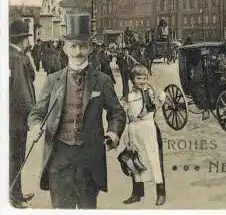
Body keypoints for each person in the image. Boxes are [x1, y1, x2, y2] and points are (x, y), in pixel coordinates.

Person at [27, 12, 127, 209]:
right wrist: (36, 126)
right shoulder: (52, 80)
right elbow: (36, 113)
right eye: (73, 46)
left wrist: (113, 133)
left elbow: (117, 113)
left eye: (83, 46)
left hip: (89, 161)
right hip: (59, 159)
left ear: (90, 47)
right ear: (65, 48)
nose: (78, 52)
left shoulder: (103, 80)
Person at [121, 65, 166, 206]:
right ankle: (137, 193)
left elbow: (160, 99)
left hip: (148, 128)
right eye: (138, 78)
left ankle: (161, 192)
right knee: (136, 160)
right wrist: (127, 136)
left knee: (154, 160)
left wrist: (153, 87)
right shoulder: (128, 97)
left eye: (144, 78)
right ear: (132, 80)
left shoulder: (150, 94)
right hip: (134, 130)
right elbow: (126, 116)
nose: (141, 81)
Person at [9, 19, 36, 208]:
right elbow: (21, 91)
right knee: (17, 156)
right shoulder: (17, 59)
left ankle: (15, 192)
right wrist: (32, 115)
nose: (29, 41)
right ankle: (14, 196)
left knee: (15, 156)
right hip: (17, 118)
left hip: (12, 116)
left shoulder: (15, 55)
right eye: (27, 37)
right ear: (22, 39)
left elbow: (32, 76)